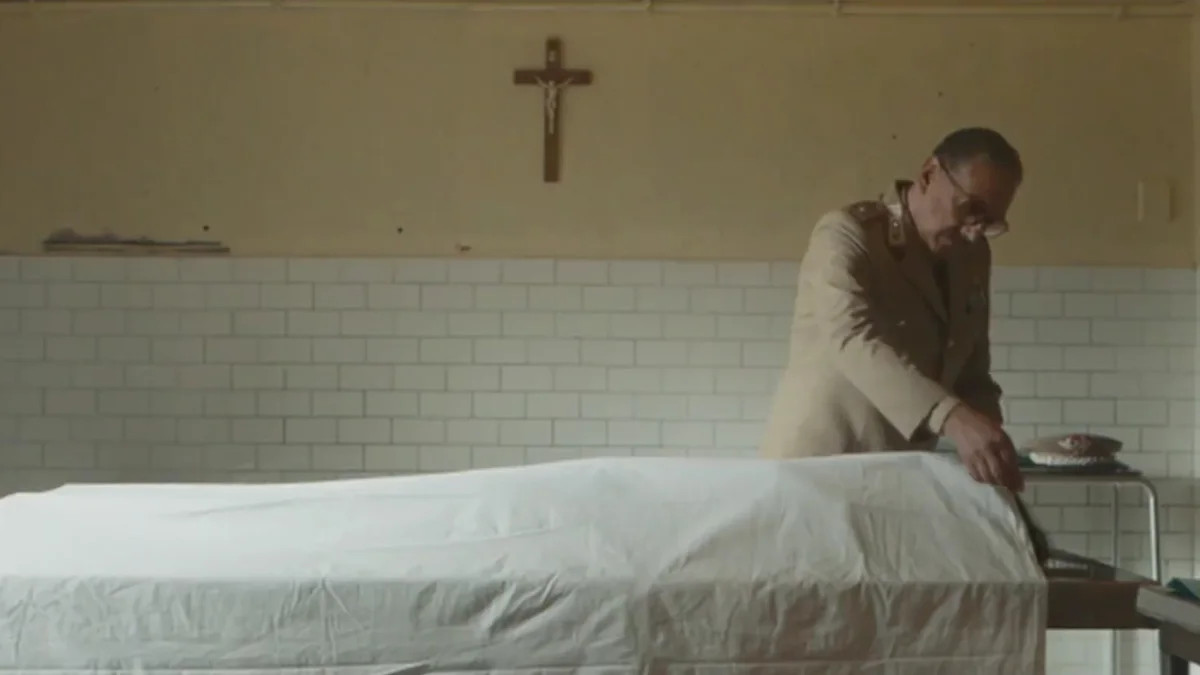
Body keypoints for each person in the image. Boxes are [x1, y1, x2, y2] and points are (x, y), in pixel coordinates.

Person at [759, 127, 1024, 493]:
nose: (974, 232)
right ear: (929, 174)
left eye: (990, 221)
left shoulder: (973, 257)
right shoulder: (847, 233)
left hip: (895, 476)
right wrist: (952, 417)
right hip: (815, 469)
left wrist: (991, 444)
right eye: (971, 209)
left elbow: (972, 370)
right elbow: (853, 337)